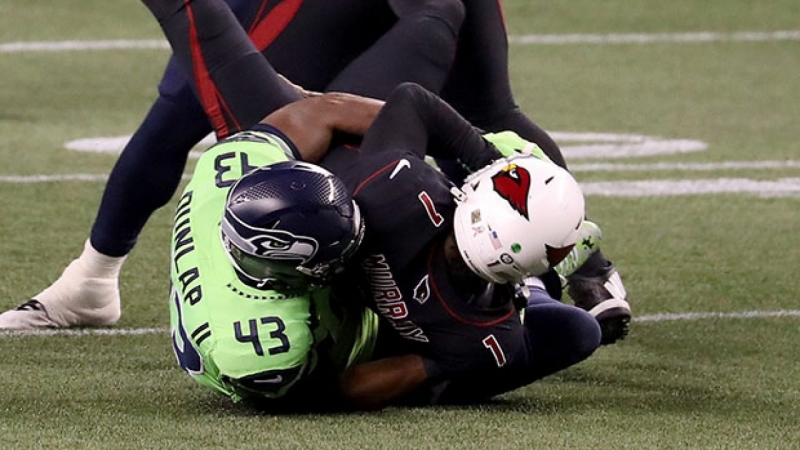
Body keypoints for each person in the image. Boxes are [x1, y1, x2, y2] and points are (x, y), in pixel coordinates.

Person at [0, 0, 630, 345]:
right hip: (338, 211)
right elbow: (418, 102)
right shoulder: (464, 334)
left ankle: (90, 280)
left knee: (192, 95)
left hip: (298, 180)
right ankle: (569, 272)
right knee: (468, 78)